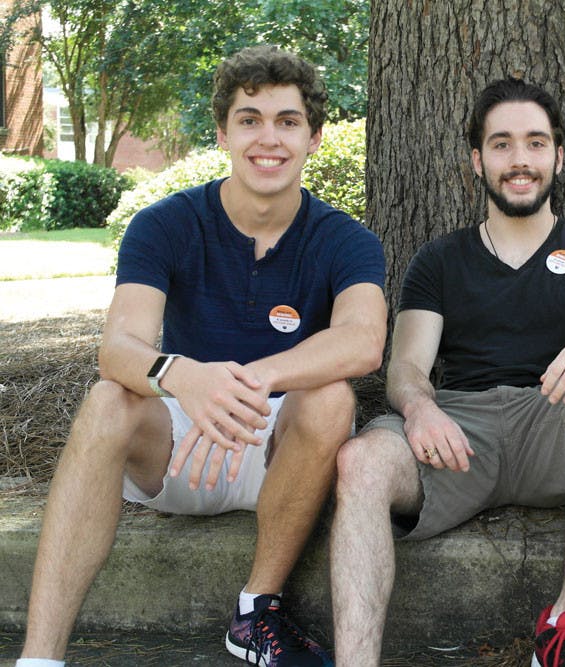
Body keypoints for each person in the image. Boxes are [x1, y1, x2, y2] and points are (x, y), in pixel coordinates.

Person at [17, 45, 387, 667]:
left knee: (330, 397)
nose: (268, 139)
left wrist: (253, 379)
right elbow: (119, 348)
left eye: (287, 121)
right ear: (223, 133)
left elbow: (363, 341)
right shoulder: (164, 224)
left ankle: (256, 611)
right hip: (182, 442)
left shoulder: (346, 239)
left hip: (284, 452)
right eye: (249, 119)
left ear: (315, 138)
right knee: (110, 399)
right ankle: (39, 658)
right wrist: (182, 375)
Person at [329, 77, 565, 667]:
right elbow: (406, 365)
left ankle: (564, 625)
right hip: (457, 435)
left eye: (535, 142)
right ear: (477, 161)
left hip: (552, 424)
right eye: (502, 144)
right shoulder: (439, 259)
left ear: (558, 155)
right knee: (360, 462)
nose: (520, 159)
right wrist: (421, 407)